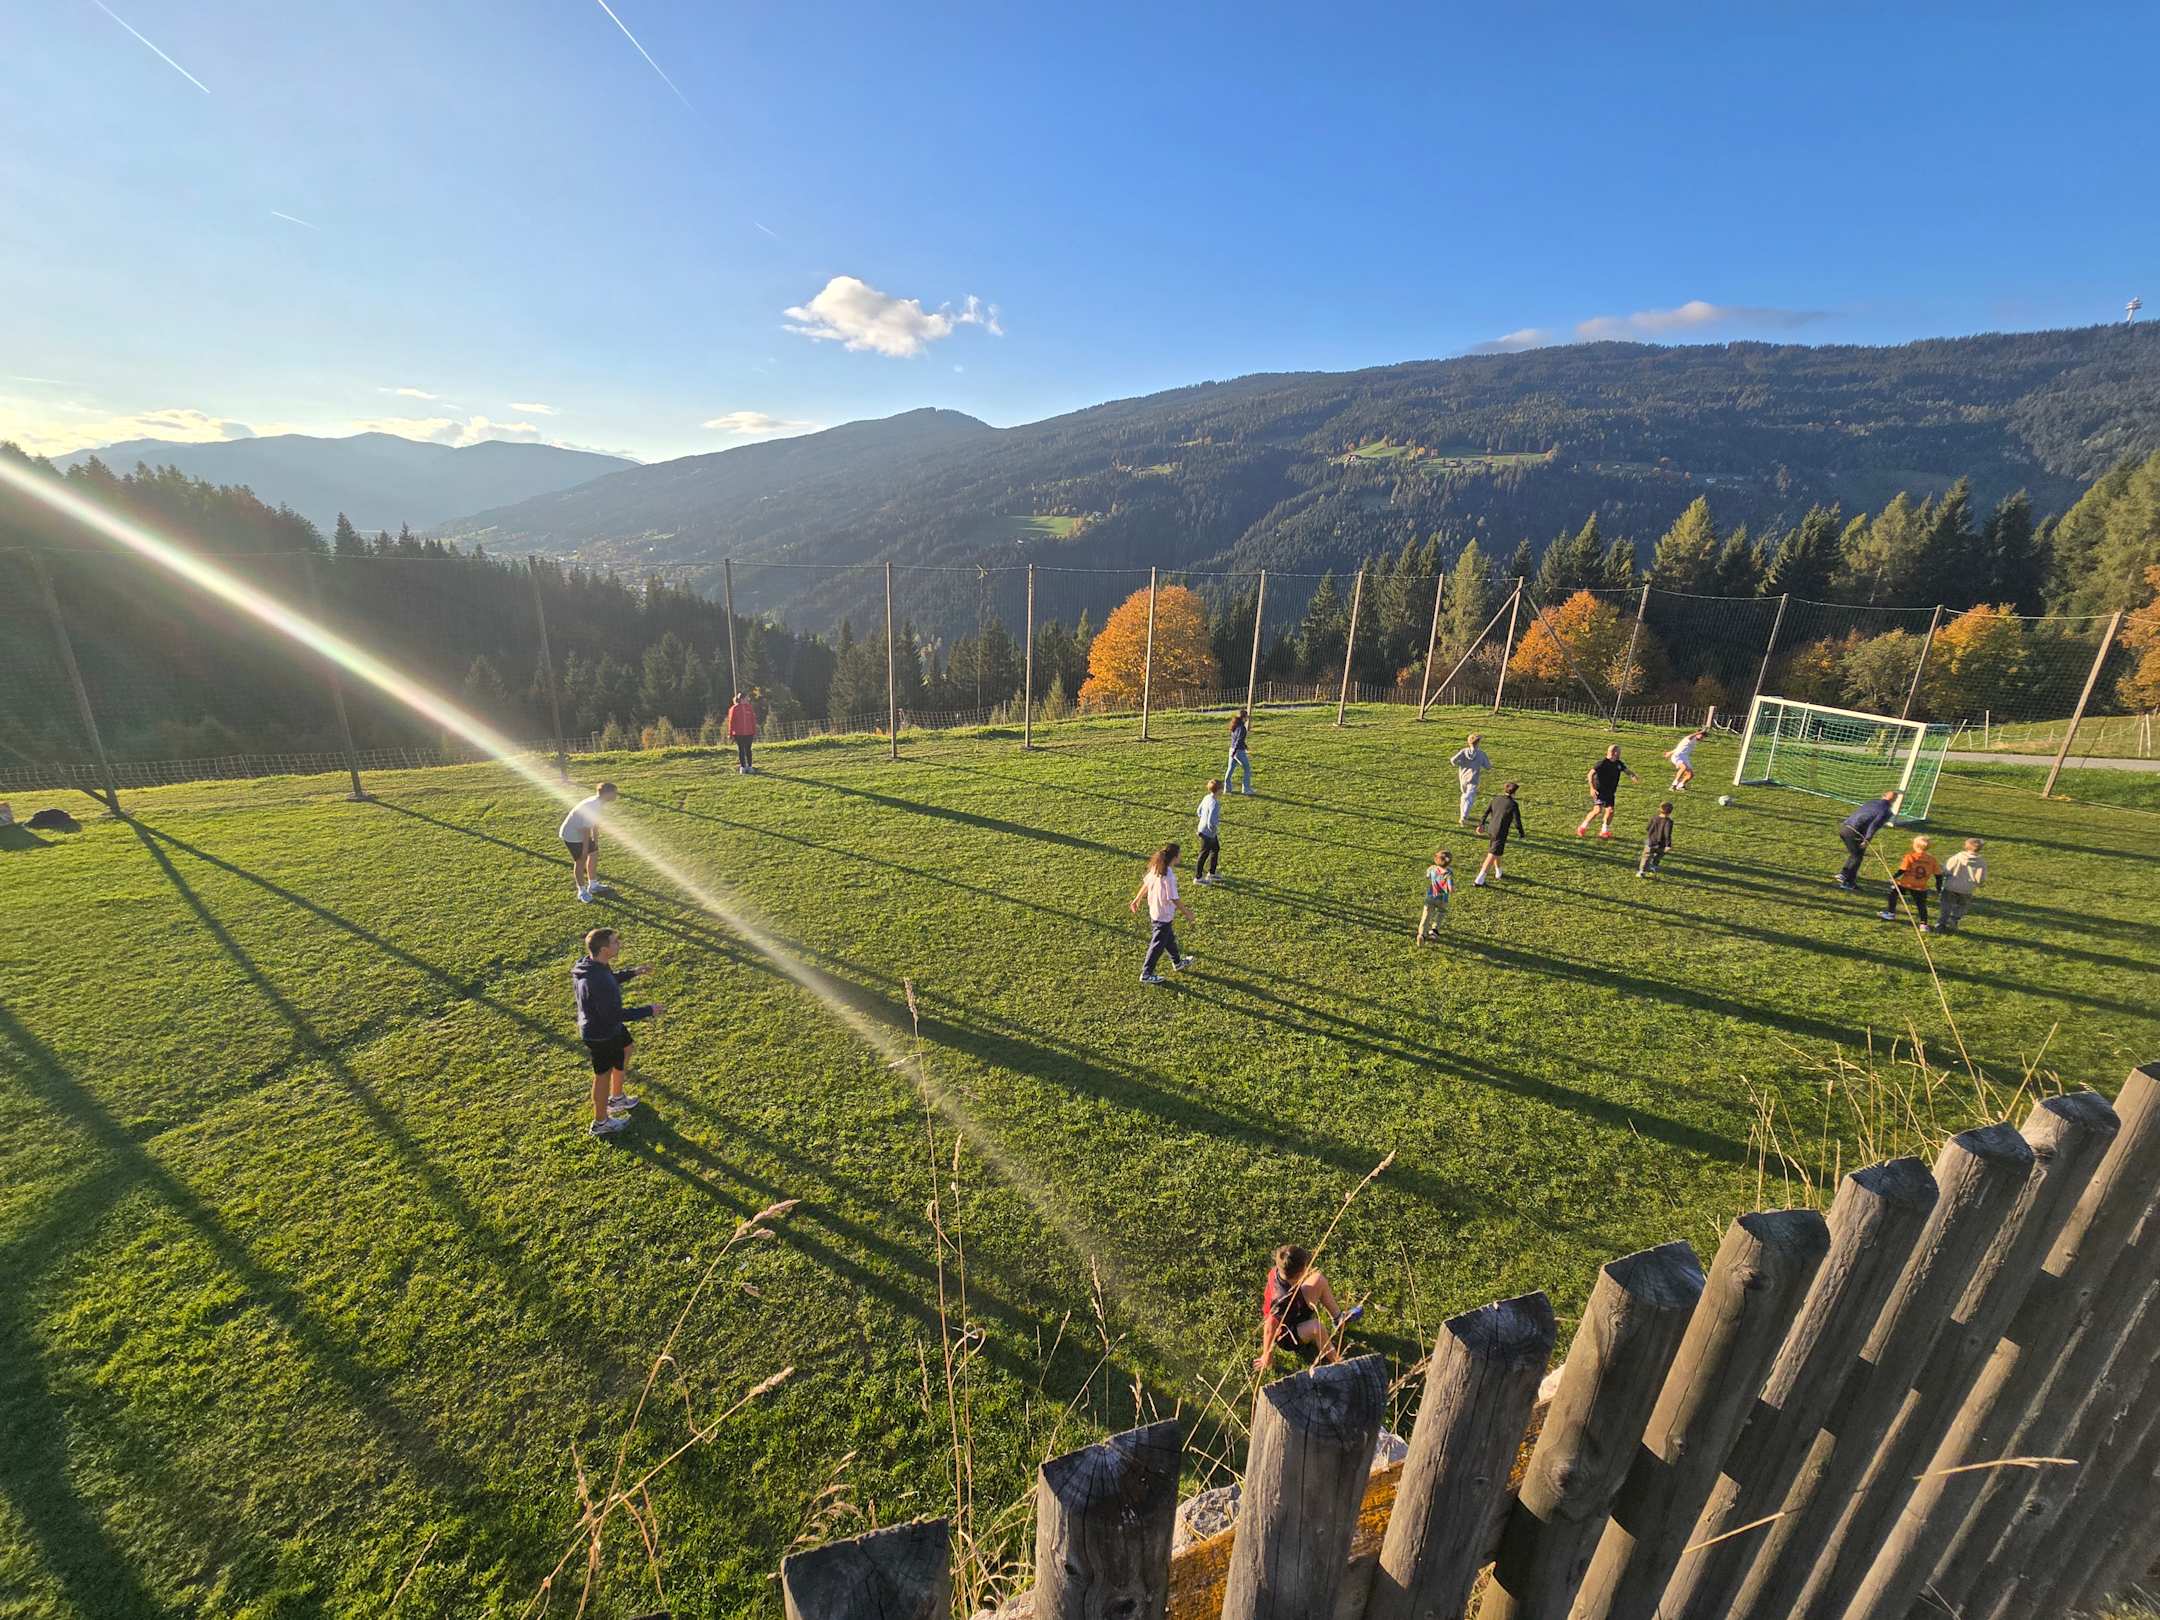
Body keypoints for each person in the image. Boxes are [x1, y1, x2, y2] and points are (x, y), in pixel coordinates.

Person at [572, 927, 662, 1138]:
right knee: (602, 1076)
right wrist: (648, 1010)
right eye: (615, 942)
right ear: (604, 949)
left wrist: (634, 972)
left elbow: (610, 978)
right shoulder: (598, 980)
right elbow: (613, 1014)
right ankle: (601, 1122)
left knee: (627, 1048)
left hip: (609, 1027)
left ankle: (617, 1098)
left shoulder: (592, 964)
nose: (619, 944)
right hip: (601, 1033)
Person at [1252, 1244, 1345, 1370]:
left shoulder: (1278, 1271)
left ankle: (1339, 1319)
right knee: (1316, 1327)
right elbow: (1270, 1325)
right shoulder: (1281, 1301)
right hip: (1288, 1335)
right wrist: (1266, 1356)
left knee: (1319, 1279)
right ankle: (1337, 1361)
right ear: (1300, 1273)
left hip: (1295, 1309)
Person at [1128, 842, 1195, 985]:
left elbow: (1146, 884)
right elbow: (1174, 898)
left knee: (1169, 939)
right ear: (1174, 857)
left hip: (1156, 911)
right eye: (1179, 854)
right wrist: (1187, 913)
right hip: (1163, 915)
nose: (1181, 857)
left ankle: (1177, 963)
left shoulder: (1156, 867)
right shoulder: (1169, 876)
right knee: (1157, 945)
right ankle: (1146, 974)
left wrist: (1136, 899)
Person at [559, 782, 619, 903]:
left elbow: (594, 823)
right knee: (580, 861)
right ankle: (581, 891)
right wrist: (585, 850)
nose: (616, 795)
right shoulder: (593, 805)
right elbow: (585, 830)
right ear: (607, 794)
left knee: (594, 853)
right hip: (572, 835)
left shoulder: (598, 802)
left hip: (582, 833)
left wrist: (595, 841)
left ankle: (593, 885)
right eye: (614, 793)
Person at [1836, 790, 1902, 891]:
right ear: (1894, 801)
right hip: (1854, 832)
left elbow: (1859, 814)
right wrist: (1868, 839)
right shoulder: (1886, 812)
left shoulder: (1870, 802)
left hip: (1845, 828)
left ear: (1883, 795)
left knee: (1855, 853)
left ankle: (1844, 874)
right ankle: (1848, 882)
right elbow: (1874, 825)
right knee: (1857, 856)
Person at [1577, 745, 1638, 839]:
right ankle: (1582, 827)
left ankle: (1604, 830)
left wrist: (1632, 776)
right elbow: (1590, 774)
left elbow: (1626, 771)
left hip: (1610, 792)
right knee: (1597, 810)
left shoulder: (1618, 763)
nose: (1620, 754)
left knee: (1610, 811)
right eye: (1619, 752)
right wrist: (1592, 788)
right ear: (1615, 753)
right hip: (1600, 791)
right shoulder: (1602, 763)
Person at [1881, 834, 1942, 926]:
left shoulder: (1910, 856)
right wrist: (1939, 888)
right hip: (1921, 886)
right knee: (1921, 905)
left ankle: (1890, 913)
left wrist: (1893, 877)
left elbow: (1903, 870)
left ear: (1915, 846)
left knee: (1893, 893)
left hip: (1906, 884)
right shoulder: (1932, 860)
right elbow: (1938, 875)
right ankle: (1923, 924)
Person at [1474, 781, 1525, 886]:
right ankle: (1479, 880)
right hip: (1501, 832)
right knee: (1492, 854)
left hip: (1491, 829)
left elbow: (1486, 813)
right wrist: (1521, 832)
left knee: (1496, 851)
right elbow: (1517, 821)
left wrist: (1481, 824)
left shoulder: (1496, 799)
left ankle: (1498, 871)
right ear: (1514, 793)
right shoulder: (1513, 804)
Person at [1938, 837, 1987, 932]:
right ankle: (1954, 918)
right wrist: (1980, 883)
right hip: (1966, 889)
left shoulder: (1957, 857)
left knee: (1946, 904)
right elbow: (1981, 877)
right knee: (1963, 905)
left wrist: (1943, 872)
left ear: (1965, 846)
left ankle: (1941, 924)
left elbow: (1947, 869)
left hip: (1951, 886)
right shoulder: (1981, 862)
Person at [1450, 732, 1491, 824]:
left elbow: (1452, 760)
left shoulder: (1463, 751)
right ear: (1478, 743)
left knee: (1464, 796)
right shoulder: (1481, 754)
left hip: (1463, 778)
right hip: (1473, 779)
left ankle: (1463, 815)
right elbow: (1488, 767)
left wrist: (1461, 764)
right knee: (1469, 798)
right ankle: (1464, 816)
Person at [1416, 849, 1454, 941]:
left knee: (1426, 914)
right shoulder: (1448, 873)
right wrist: (1452, 889)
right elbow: (1450, 888)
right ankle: (1434, 931)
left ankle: (1422, 934)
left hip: (1430, 896)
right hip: (1442, 898)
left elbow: (1427, 876)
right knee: (1441, 912)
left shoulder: (1432, 869)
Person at [1195, 779, 1224, 884]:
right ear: (1218, 790)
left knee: (1215, 849)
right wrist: (1213, 830)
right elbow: (1211, 821)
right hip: (1208, 833)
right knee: (1204, 854)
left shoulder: (1207, 797)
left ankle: (1212, 873)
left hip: (1203, 829)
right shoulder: (1215, 803)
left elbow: (1199, 811)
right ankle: (1198, 878)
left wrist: (1203, 820)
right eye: (1221, 788)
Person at [1639, 801, 1675, 878]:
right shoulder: (1669, 822)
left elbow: (1648, 828)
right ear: (1670, 812)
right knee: (1659, 855)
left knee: (1646, 856)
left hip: (1650, 841)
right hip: (1661, 844)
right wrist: (1668, 845)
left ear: (1660, 809)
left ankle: (1642, 871)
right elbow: (1667, 834)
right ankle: (1653, 866)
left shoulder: (1653, 818)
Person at [726, 691, 759, 774]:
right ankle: (743, 767)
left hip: (749, 733)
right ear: (741, 699)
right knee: (741, 750)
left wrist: (754, 731)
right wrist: (730, 733)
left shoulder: (749, 707)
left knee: (748, 750)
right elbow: (731, 722)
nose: (748, 699)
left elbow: (753, 720)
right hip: (738, 733)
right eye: (746, 698)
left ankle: (750, 766)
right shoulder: (734, 708)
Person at [1226, 710, 1253, 795]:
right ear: (1243, 718)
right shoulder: (1242, 728)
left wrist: (1245, 747)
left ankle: (1227, 789)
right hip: (1238, 751)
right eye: (1246, 717)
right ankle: (1246, 789)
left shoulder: (1235, 725)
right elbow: (1239, 741)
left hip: (1232, 749)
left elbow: (1236, 739)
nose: (1247, 718)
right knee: (1247, 769)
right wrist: (1236, 751)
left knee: (1230, 769)